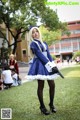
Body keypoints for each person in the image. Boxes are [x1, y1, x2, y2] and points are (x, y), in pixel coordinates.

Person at [26, 27, 64, 115]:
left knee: (52, 84)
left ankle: (51, 104)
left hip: (47, 64)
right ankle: (42, 106)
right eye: (33, 32)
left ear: (39, 33)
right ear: (31, 35)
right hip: (39, 64)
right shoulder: (33, 44)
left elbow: (48, 55)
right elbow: (39, 55)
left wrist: (53, 65)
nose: (35, 33)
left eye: (37, 32)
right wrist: (49, 64)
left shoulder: (44, 43)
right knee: (41, 85)